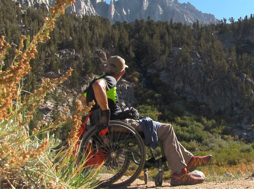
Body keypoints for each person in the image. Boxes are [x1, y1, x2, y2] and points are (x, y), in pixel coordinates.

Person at [79, 55, 212, 186]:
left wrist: (93, 117)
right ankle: (179, 174)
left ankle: (189, 160)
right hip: (117, 125)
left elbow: (82, 100)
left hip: (107, 127)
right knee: (166, 129)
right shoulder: (109, 79)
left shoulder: (92, 84)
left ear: (105, 67)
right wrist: (105, 113)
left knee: (158, 127)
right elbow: (98, 86)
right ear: (122, 72)